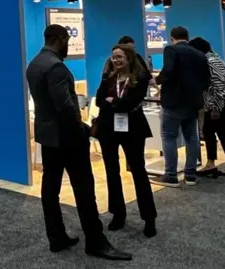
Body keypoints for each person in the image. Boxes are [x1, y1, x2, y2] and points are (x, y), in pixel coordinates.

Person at [26, 24, 131, 261]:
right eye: (67, 40)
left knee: (50, 188)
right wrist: (83, 129)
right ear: (59, 39)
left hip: (48, 137)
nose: (68, 45)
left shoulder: (34, 64)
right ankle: (95, 241)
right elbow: (64, 107)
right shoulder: (56, 67)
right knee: (84, 189)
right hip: (68, 139)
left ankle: (56, 237)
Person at [95, 44, 157, 238]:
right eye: (114, 57)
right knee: (112, 172)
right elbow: (98, 100)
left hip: (133, 131)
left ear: (129, 58)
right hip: (108, 130)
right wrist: (115, 104)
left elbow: (131, 102)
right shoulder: (108, 77)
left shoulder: (140, 79)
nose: (116, 60)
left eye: (119, 57)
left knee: (138, 172)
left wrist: (112, 102)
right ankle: (118, 214)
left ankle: (149, 218)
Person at [154, 26, 210, 187]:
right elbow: (207, 80)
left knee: (169, 137)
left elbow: (168, 71)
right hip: (193, 103)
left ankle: (171, 175)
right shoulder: (200, 54)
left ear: (172, 38)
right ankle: (190, 174)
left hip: (173, 102)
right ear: (187, 37)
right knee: (192, 137)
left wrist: (155, 81)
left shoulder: (171, 50)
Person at [189, 38, 225, 177]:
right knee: (221, 132)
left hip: (218, 104)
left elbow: (218, 86)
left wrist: (216, 108)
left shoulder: (209, 62)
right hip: (223, 103)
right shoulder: (215, 59)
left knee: (210, 132)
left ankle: (212, 164)